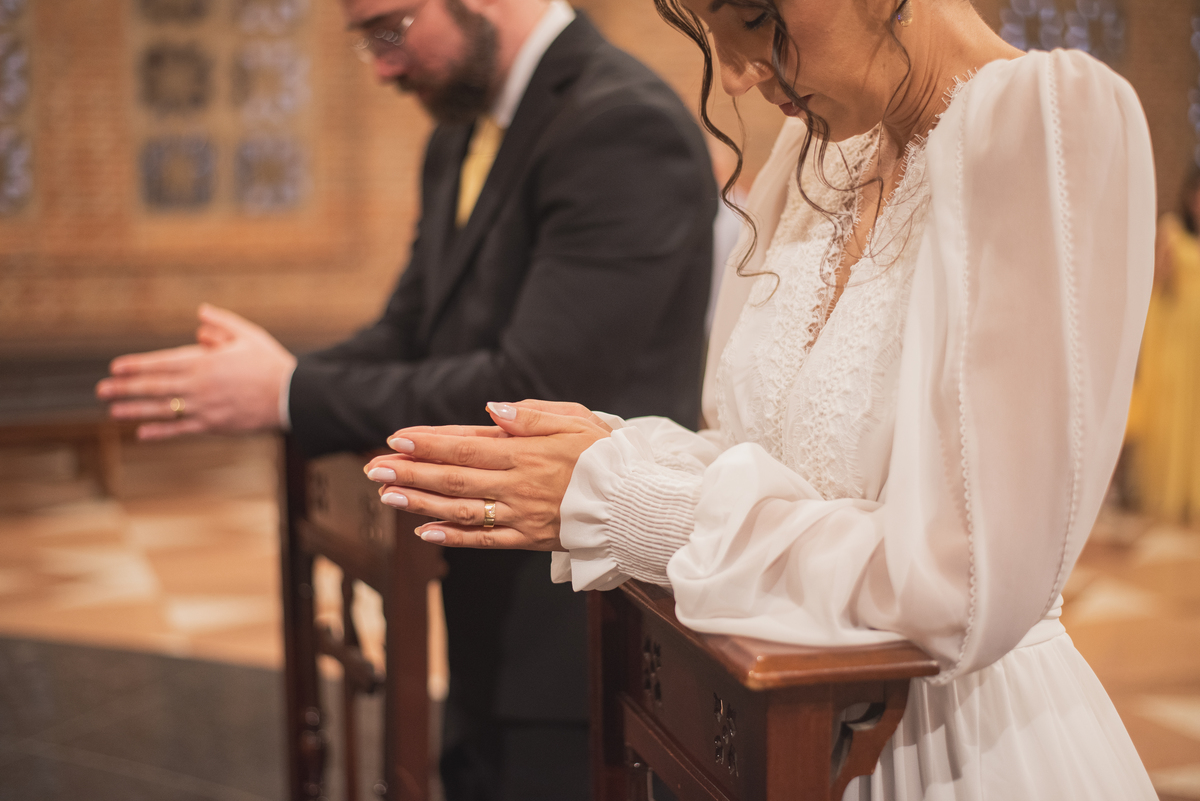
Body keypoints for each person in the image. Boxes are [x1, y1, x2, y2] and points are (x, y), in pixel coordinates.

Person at [361, 0, 1161, 797]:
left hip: (947, 746)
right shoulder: (823, 154)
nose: (738, 75)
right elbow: (758, 452)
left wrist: (628, 502)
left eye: (748, 18)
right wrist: (607, 451)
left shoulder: (1044, 118)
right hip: (769, 731)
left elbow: (961, 587)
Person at [96, 0, 718, 797]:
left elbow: (531, 386)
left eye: (389, 28)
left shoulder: (621, 124)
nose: (383, 66)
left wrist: (289, 391)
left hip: (572, 617)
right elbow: (410, 328)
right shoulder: (461, 131)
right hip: (477, 589)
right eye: (367, 43)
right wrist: (269, 378)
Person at [1125, 165, 1200, 523]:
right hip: (1177, 337)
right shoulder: (1172, 229)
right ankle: (1170, 500)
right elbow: (1158, 278)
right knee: (1175, 409)